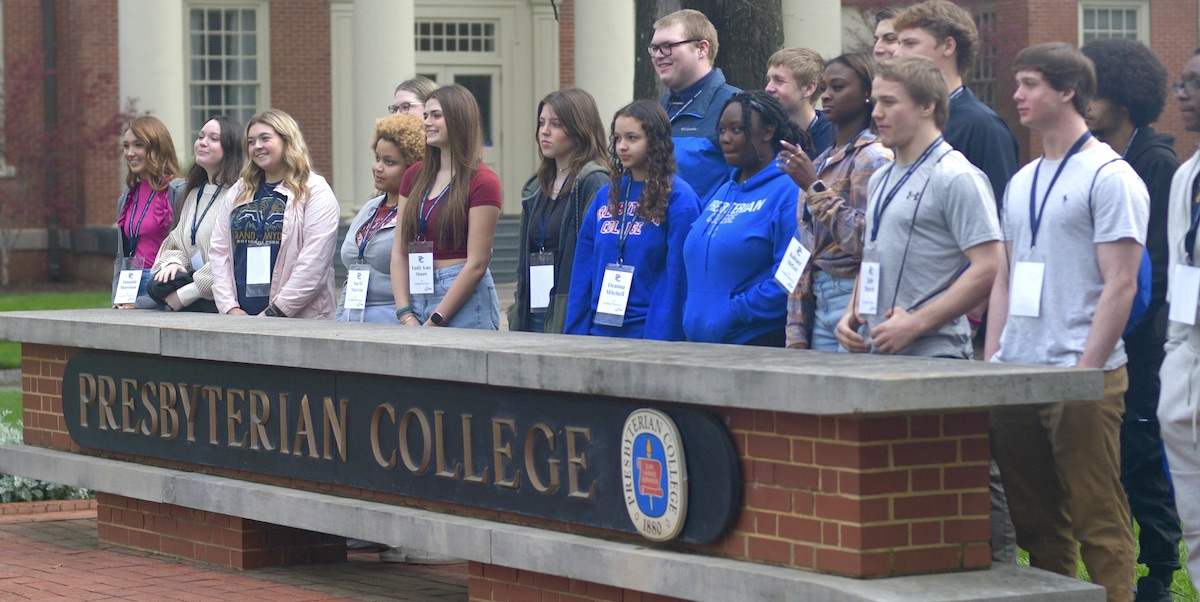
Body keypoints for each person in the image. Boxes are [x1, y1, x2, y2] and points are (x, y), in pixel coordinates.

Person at [986, 42, 1146, 602]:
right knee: (1038, 527)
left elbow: (1121, 282)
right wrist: (992, 364)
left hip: (1082, 375)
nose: (1017, 95)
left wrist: (1086, 371)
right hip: (1017, 372)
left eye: (1029, 84)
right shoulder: (1024, 178)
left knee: (1097, 517)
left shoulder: (1110, 175)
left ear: (1067, 91)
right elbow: (1003, 278)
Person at [1082, 37, 1181, 602]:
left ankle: (1160, 570)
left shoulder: (1155, 163)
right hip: (1114, 328)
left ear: (1125, 96)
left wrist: (1134, 326)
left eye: (1097, 90)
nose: (1087, 102)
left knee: (1143, 449)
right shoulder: (1103, 161)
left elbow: (1160, 264)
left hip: (1147, 337)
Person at [835, 55, 1001, 358]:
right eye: (875, 102)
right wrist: (852, 312)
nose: (877, 113)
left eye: (889, 102)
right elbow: (874, 252)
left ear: (927, 106)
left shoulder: (957, 176)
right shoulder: (882, 175)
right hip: (877, 349)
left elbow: (990, 265)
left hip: (935, 354)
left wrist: (915, 323)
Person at [779, 53, 894, 351]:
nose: (826, 95)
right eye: (825, 87)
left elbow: (865, 240)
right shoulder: (818, 161)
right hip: (818, 301)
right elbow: (803, 247)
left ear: (868, 93)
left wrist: (813, 187)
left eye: (838, 87)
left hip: (854, 298)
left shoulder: (874, 157)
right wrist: (795, 330)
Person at [566, 100, 700, 340]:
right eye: (617, 139)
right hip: (599, 331)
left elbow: (677, 278)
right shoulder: (606, 195)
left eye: (632, 138)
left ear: (655, 141)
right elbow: (583, 268)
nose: (622, 147)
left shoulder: (679, 198)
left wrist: (659, 340)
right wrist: (575, 334)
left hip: (647, 333)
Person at [682, 91, 801, 346]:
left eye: (736, 129)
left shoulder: (789, 191)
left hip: (753, 344)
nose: (725, 138)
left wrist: (735, 313)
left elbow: (790, 278)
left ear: (767, 132)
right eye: (722, 129)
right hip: (698, 346)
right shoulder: (725, 189)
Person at [209, 109, 340, 319]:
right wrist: (229, 307)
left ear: (287, 141)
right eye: (251, 141)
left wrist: (275, 312)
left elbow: (314, 262)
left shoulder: (314, 190)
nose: (257, 146)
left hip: (297, 319)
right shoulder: (239, 190)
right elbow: (219, 250)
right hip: (241, 316)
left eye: (265, 138)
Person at [390, 84, 502, 330]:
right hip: (417, 292)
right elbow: (398, 251)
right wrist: (405, 313)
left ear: (460, 119)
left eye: (436, 115)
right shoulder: (413, 176)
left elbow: (477, 264)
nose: (427, 122)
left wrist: (436, 319)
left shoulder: (483, 181)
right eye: (426, 115)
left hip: (464, 297)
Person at [893, 0, 1018, 207]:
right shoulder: (904, 120)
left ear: (948, 46)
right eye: (898, 43)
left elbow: (999, 216)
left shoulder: (983, 127)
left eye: (909, 43)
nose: (897, 53)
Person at [509, 88, 611, 333]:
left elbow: (598, 256)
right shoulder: (537, 186)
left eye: (555, 124)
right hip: (534, 308)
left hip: (570, 310)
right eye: (542, 123)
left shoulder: (594, 182)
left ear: (580, 131)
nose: (544, 131)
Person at [1159, 48, 1200, 595]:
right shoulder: (1186, 177)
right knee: (1194, 523)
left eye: (1195, 84)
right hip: (1184, 368)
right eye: (1182, 85)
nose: (1184, 95)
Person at [147, 116, 245, 313]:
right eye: (200, 136)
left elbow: (232, 256)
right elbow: (177, 243)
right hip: (190, 287)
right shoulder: (193, 194)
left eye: (213, 138)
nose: (202, 142)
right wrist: (173, 264)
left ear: (231, 147)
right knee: (155, 286)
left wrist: (186, 294)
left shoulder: (240, 194)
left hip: (220, 301)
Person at [335, 113, 425, 322]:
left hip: (395, 324)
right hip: (351, 320)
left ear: (413, 167)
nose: (378, 167)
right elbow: (351, 277)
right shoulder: (370, 208)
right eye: (377, 158)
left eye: (390, 162)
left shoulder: (419, 214)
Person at [650, 9, 740, 204]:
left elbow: (746, 188)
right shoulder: (657, 110)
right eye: (654, 48)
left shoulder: (737, 107)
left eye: (667, 46)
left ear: (702, 48)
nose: (658, 55)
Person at [114, 115, 186, 308]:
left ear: (157, 148)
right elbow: (121, 256)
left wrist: (141, 303)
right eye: (126, 146)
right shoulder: (127, 197)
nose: (130, 153)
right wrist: (118, 297)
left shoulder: (178, 191)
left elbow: (186, 251)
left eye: (138, 145)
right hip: (129, 281)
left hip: (161, 283)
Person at [765, 48, 831, 158]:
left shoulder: (831, 137)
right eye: (768, 80)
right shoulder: (767, 131)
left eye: (779, 81)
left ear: (809, 88)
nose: (768, 88)